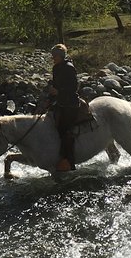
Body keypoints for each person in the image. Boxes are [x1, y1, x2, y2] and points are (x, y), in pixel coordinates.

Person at [48, 44, 79, 172]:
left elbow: (73, 88)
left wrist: (58, 92)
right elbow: (55, 83)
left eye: (54, 56)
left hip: (70, 103)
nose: (53, 58)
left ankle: (69, 161)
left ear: (60, 56)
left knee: (66, 130)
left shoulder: (69, 68)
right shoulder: (56, 68)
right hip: (59, 101)